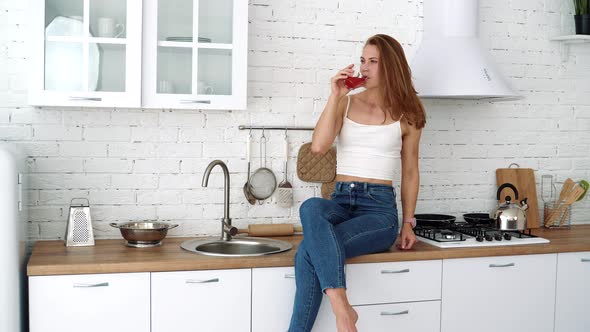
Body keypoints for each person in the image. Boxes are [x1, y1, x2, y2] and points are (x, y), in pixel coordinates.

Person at [288, 34, 427, 332]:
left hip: (378, 212)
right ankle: (344, 309)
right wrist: (334, 95)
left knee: (307, 253)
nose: (364, 67)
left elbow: (411, 172)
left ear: (391, 66)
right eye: (363, 60)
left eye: (373, 61)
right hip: (341, 201)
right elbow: (319, 147)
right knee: (312, 206)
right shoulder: (346, 103)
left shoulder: (409, 114)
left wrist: (408, 223)